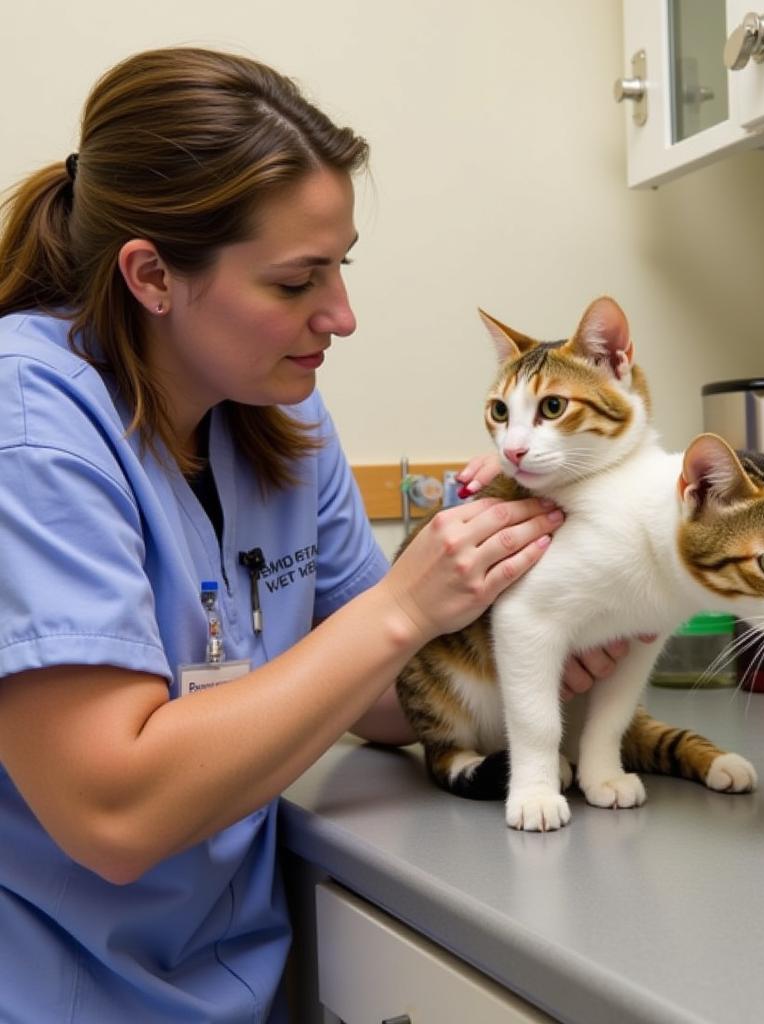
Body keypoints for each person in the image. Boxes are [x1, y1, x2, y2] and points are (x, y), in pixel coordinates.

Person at [0, 47, 636, 1023]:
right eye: (298, 281)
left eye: (340, 268)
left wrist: (516, 631)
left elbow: (376, 696)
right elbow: (111, 813)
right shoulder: (30, 430)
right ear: (152, 275)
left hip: (230, 974)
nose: (340, 315)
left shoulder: (280, 414)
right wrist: (404, 604)